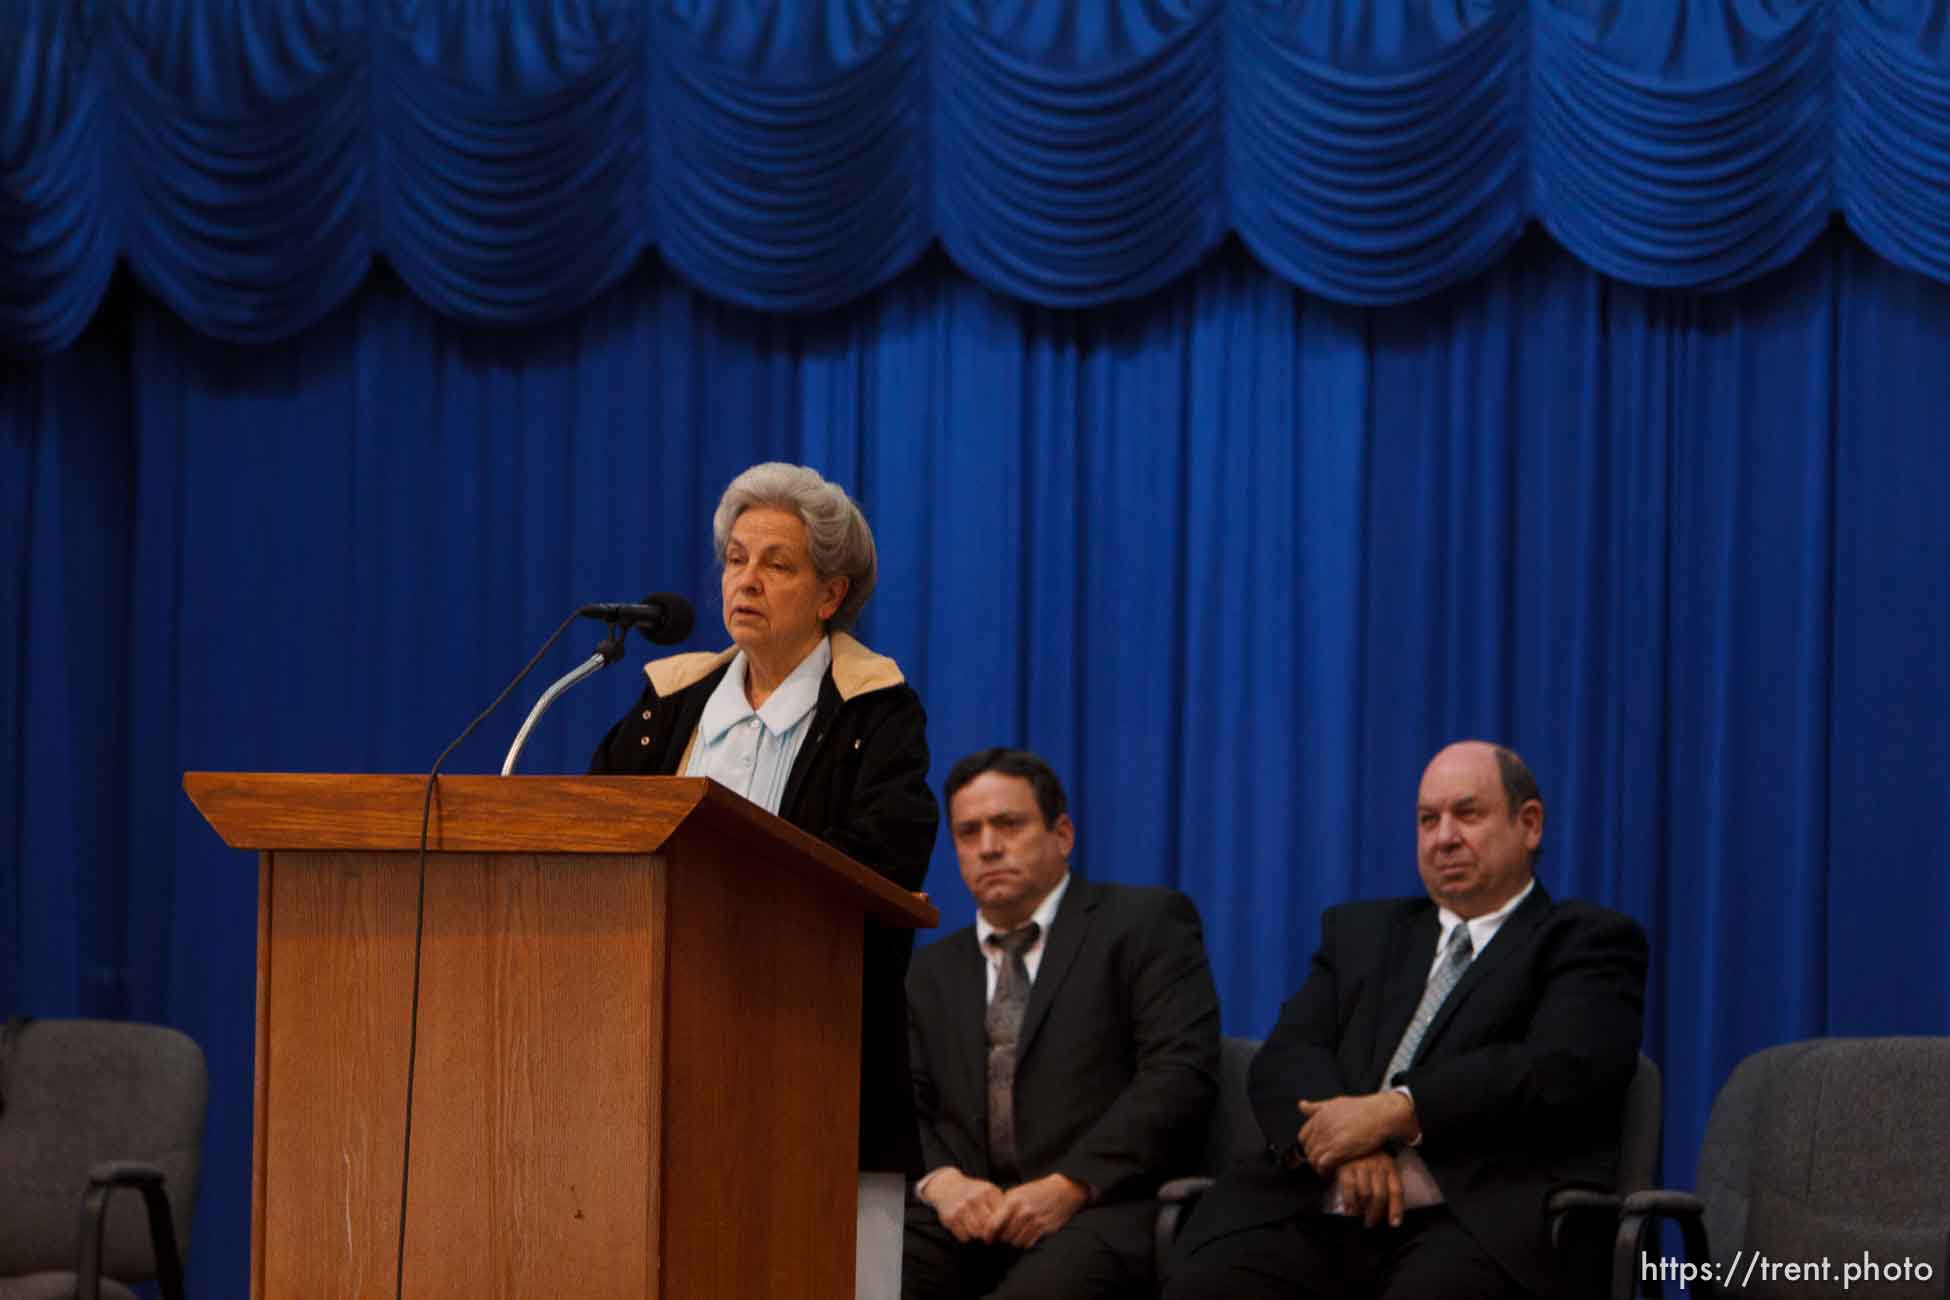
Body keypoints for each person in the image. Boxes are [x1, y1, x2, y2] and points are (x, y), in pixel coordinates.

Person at [589, 462, 939, 1298]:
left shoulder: (876, 715)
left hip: (812, 1060)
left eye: (776, 563)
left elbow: (881, 862)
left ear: (829, 594)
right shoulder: (663, 708)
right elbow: (592, 840)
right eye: (736, 558)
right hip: (648, 1063)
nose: (745, 579)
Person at [1165, 741, 1648, 1300]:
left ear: (1530, 824)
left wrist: (1396, 1111)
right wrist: (1348, 1145)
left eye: (1467, 814)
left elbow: (1562, 1066)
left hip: (1469, 1220)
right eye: (1427, 820)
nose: (1444, 837)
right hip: (1313, 1205)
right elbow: (1288, 1056)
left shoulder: (1586, 940)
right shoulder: (1360, 934)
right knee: (1208, 1281)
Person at [903, 748, 1221, 1300]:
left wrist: (1070, 1184)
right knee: (838, 1270)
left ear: (1063, 835)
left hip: (1099, 1207)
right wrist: (942, 1182)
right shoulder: (931, 969)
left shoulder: (1143, 925)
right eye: (968, 832)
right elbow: (906, 1100)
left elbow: (1179, 1078)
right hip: (967, 1214)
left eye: (1008, 824)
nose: (989, 847)